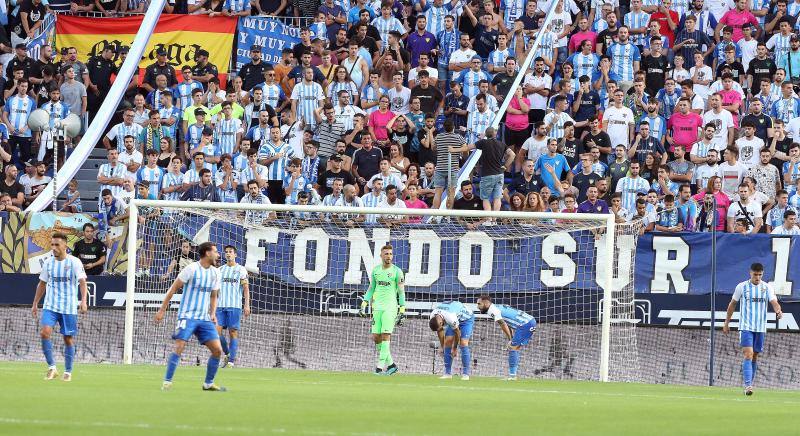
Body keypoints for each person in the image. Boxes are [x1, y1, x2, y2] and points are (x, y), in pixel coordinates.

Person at [155, 242, 226, 391]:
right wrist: (162, 310)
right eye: (215, 251)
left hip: (204, 318)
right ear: (207, 253)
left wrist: (212, 313)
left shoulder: (216, 273)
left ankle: (208, 383)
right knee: (180, 346)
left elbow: (214, 296)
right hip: (187, 316)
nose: (218, 255)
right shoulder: (191, 269)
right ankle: (167, 382)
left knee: (217, 350)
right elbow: (173, 289)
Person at [31, 233, 88, 382]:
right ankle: (52, 368)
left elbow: (82, 282)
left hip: (68, 307)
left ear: (65, 246)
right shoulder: (48, 263)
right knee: (45, 333)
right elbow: (42, 284)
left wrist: (83, 301)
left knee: (68, 339)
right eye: (52, 245)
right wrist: (35, 303)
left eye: (57, 245)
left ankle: (68, 371)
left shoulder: (75, 262)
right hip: (50, 305)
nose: (54, 247)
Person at [723, 263, 782, 396]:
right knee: (748, 354)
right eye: (755, 274)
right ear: (750, 273)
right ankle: (748, 385)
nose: (757, 277)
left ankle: (750, 383)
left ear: (762, 274)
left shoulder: (767, 287)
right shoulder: (742, 287)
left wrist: (778, 311)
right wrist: (727, 322)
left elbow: (774, 302)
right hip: (746, 327)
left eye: (760, 275)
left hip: (760, 328)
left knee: (755, 355)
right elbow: (732, 304)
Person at [358, 244, 405, 376]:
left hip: (390, 308)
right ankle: (392, 365)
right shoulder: (376, 271)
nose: (389, 256)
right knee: (376, 337)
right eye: (386, 254)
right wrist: (364, 302)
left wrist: (402, 310)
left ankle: (379, 367)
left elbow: (401, 293)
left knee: (386, 335)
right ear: (381, 255)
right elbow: (371, 288)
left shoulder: (397, 271)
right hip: (377, 307)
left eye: (390, 254)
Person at [476, 295, 537, 380]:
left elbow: (503, 324)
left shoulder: (492, 310)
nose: (478, 306)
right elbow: (507, 323)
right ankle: (513, 375)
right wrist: (511, 338)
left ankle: (512, 376)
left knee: (512, 348)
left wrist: (510, 339)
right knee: (514, 347)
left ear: (486, 302)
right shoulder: (497, 307)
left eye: (479, 304)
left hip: (525, 324)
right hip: (529, 321)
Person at [215, 245, 250, 369]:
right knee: (216, 332)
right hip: (220, 306)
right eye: (226, 252)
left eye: (231, 252)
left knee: (233, 332)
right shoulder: (220, 270)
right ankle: (228, 353)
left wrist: (247, 305)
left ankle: (231, 362)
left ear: (235, 255)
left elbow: (246, 289)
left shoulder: (241, 270)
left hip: (234, 306)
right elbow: (215, 290)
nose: (228, 254)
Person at [428, 300, 475, 380]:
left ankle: (466, 374)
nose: (440, 328)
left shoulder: (450, 317)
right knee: (447, 343)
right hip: (455, 317)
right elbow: (440, 330)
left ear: (440, 322)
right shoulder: (432, 316)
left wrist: (454, 348)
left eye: (440, 326)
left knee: (463, 343)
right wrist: (442, 346)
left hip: (466, 319)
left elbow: (457, 333)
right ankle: (447, 373)